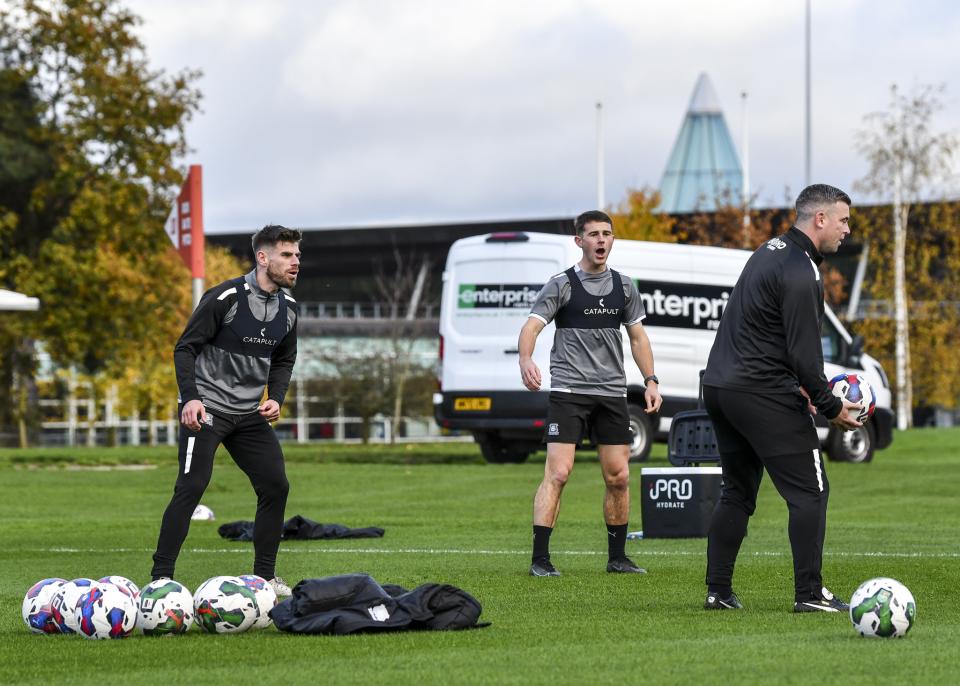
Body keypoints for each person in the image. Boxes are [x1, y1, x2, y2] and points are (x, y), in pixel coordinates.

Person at [701, 184, 863, 613]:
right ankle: (810, 594)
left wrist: (802, 389)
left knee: (737, 491)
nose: (848, 229)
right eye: (844, 220)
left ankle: (718, 592)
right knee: (811, 490)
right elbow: (806, 357)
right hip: (760, 391)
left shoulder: (768, 251)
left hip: (721, 387)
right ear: (820, 219)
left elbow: (763, 334)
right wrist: (832, 408)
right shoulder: (801, 271)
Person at [150, 224, 302, 597]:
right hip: (208, 410)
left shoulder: (290, 310)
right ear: (263, 258)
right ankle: (160, 580)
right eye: (287, 255)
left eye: (297, 255)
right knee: (192, 487)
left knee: (275, 485)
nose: (295, 262)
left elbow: (285, 358)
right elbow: (185, 348)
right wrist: (192, 398)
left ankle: (264, 578)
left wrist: (276, 397)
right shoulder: (226, 298)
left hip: (249, 414)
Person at [519, 210, 663, 577]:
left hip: (612, 393)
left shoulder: (625, 286)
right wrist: (525, 359)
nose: (601, 240)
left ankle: (618, 558)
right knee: (559, 473)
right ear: (579, 241)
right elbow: (532, 326)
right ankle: (540, 560)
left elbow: (637, 337)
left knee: (618, 476)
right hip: (569, 391)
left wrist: (650, 379)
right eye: (594, 234)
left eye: (607, 234)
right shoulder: (562, 284)